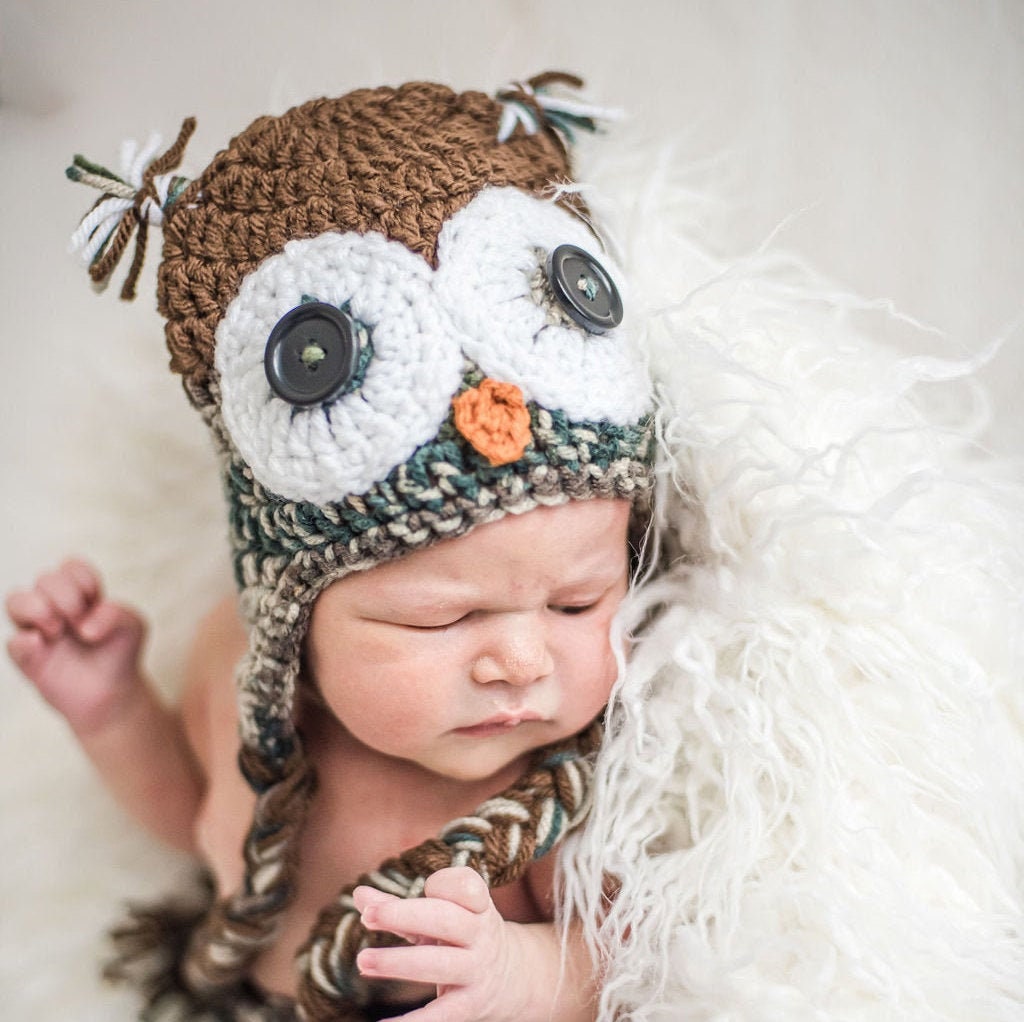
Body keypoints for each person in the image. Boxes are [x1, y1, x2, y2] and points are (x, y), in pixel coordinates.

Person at [5, 75, 655, 1022]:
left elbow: (624, 966)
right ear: (292, 613)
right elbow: (197, 824)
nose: (519, 660)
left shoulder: (546, 791)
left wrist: (521, 977)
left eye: (576, 605)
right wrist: (110, 710)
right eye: (445, 615)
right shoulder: (237, 673)